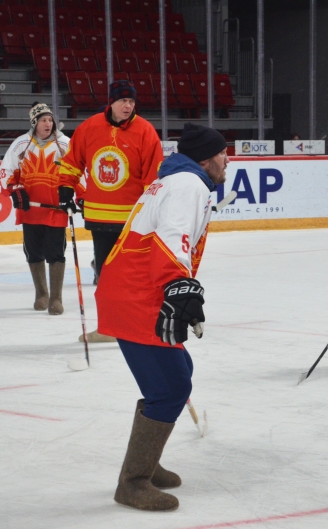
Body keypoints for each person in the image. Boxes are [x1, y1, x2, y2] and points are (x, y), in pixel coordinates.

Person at [95, 123, 229, 511]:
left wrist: (176, 286)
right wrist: (177, 286)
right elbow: (171, 237)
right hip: (139, 296)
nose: (227, 159)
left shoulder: (176, 180)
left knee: (176, 371)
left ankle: (146, 463)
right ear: (206, 158)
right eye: (222, 152)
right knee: (170, 387)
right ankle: (133, 481)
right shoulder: (190, 184)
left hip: (133, 291)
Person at [57, 80, 164, 342]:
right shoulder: (90, 127)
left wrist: (152, 208)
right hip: (99, 217)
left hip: (132, 220)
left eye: (131, 102)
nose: (128, 106)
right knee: (105, 278)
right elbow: (72, 161)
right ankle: (108, 327)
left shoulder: (145, 131)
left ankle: (136, 324)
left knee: (133, 278)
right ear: (112, 102)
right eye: (123, 101)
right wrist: (65, 187)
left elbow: (153, 175)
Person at [0, 103, 77, 314]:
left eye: (50, 120)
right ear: (34, 123)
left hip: (55, 211)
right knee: (33, 253)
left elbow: (78, 171)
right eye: (43, 120)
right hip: (30, 211)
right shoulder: (21, 144)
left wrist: (77, 195)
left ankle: (56, 298)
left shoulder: (65, 144)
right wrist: (13, 189)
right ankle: (41, 293)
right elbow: (5, 171)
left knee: (55, 253)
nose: (48, 123)